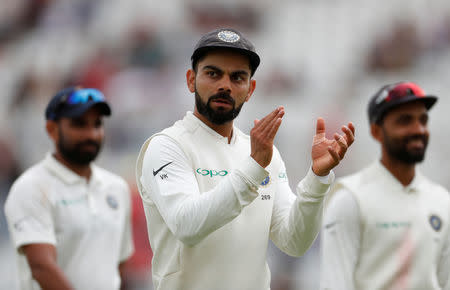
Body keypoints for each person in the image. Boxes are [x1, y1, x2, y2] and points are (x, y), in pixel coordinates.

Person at [135, 28, 355, 290]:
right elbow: (187, 225)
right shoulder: (167, 145)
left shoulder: (262, 153)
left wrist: (317, 179)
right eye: (213, 73)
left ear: (250, 89)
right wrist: (253, 167)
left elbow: (294, 242)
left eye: (237, 77)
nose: (225, 85)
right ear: (191, 80)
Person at [320, 82, 450, 290]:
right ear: (376, 131)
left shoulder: (442, 201)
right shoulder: (351, 198)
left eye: (423, 120)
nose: (418, 129)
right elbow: (335, 284)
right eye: (405, 121)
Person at [4, 87, 134, 290]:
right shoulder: (31, 187)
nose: (91, 134)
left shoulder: (116, 188)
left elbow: (118, 264)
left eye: (97, 124)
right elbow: (42, 267)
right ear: (52, 129)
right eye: (79, 124)